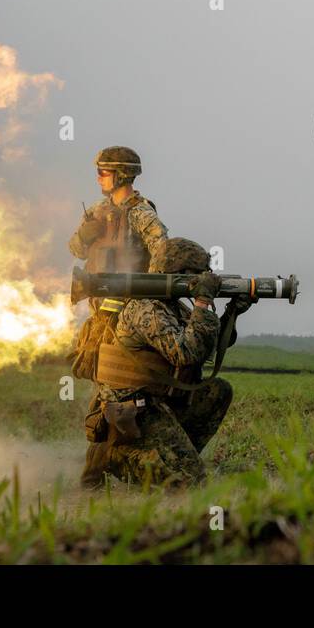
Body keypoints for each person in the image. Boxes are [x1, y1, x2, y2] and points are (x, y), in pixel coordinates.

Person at [80, 237, 238, 490]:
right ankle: (112, 456)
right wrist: (203, 302)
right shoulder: (146, 308)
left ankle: (174, 457)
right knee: (189, 484)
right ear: (180, 274)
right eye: (197, 275)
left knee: (217, 390)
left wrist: (232, 313)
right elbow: (185, 353)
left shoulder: (172, 306)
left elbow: (204, 344)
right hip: (136, 408)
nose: (202, 279)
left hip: (160, 402)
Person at [68, 146, 167, 381]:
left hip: (129, 315)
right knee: (99, 377)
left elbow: (163, 259)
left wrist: (142, 302)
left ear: (121, 174)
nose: (98, 177)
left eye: (103, 172)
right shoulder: (96, 211)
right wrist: (84, 235)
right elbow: (76, 250)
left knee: (122, 381)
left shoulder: (141, 214)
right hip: (100, 312)